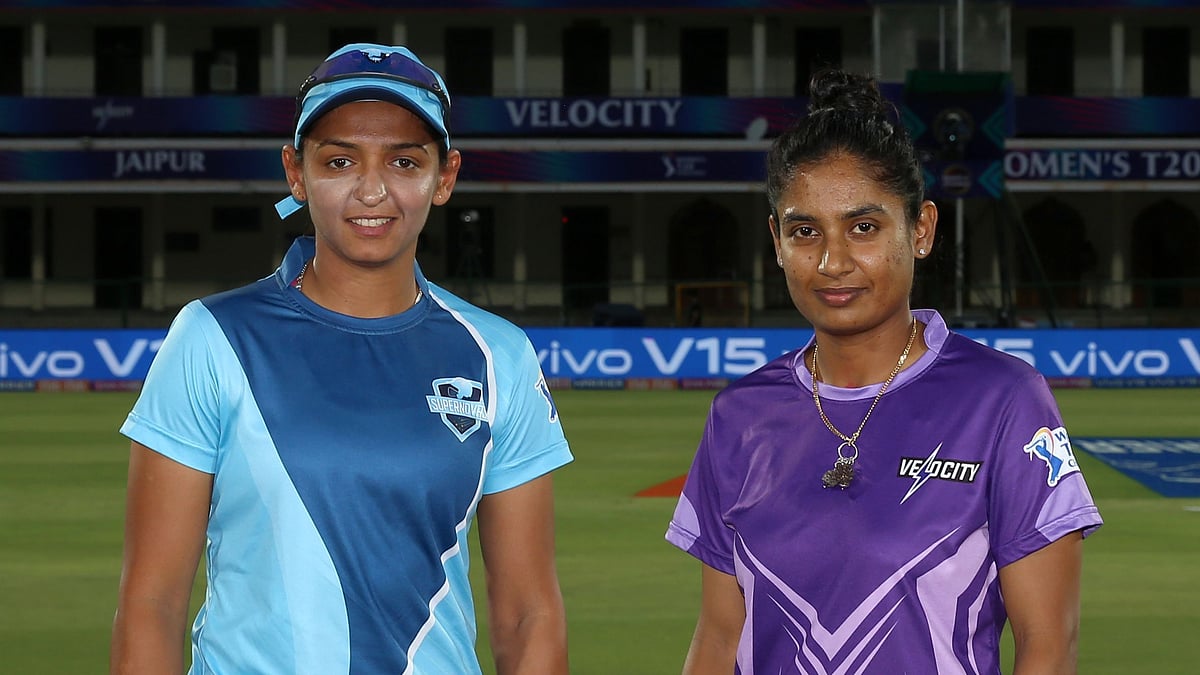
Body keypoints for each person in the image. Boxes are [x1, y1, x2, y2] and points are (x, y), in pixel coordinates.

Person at [110, 43, 573, 675]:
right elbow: (152, 603)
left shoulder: (499, 355)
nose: (372, 189)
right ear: (296, 175)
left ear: (445, 178)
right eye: (339, 161)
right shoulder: (211, 336)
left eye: (405, 161)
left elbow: (528, 612)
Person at [665, 69, 1102, 675]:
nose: (832, 261)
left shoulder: (1002, 401)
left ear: (920, 230)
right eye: (804, 231)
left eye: (864, 228)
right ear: (776, 241)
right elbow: (717, 640)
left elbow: (1048, 647)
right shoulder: (738, 415)